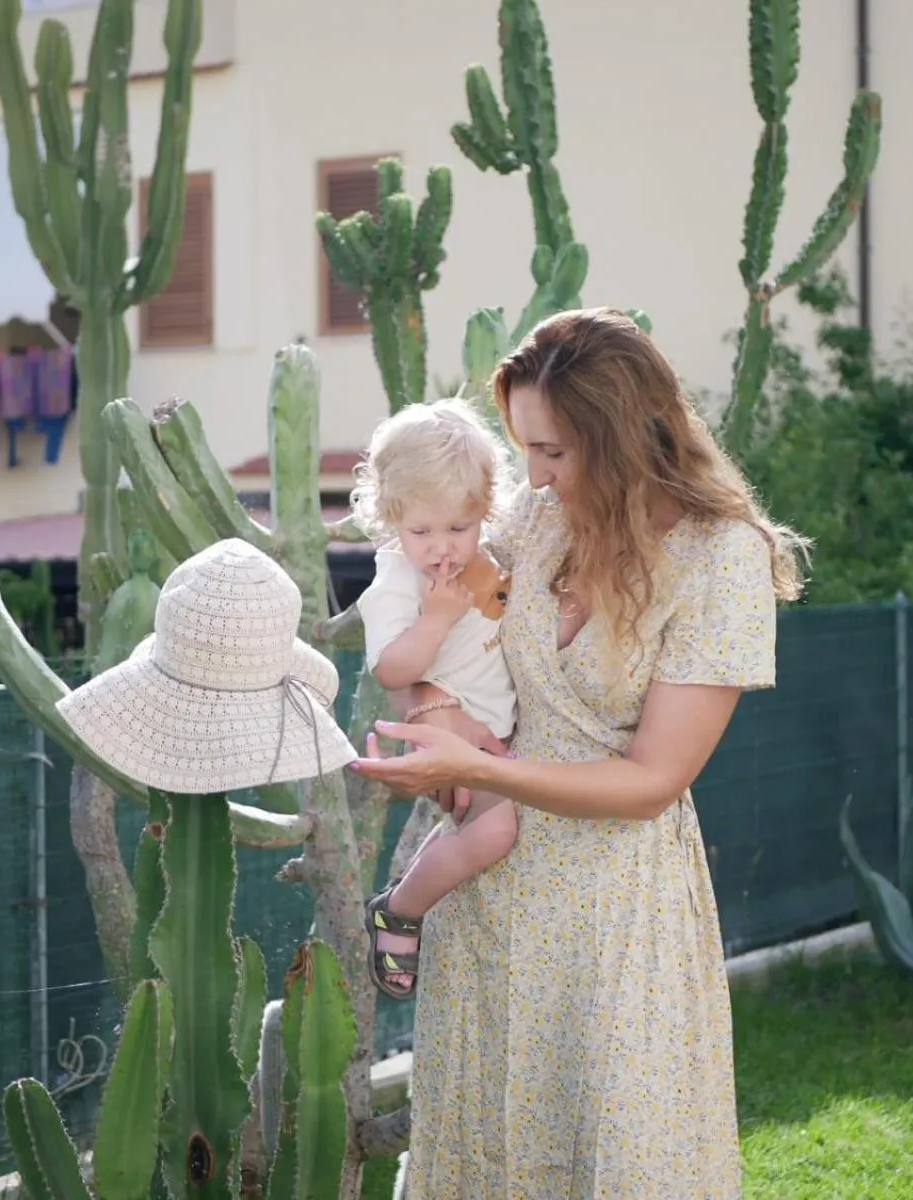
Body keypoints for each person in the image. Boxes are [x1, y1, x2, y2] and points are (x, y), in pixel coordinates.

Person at [349, 307, 806, 1198]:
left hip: (613, 908)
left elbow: (652, 781)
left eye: (553, 451)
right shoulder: (538, 519)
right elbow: (421, 615)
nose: (533, 476)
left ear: (624, 435)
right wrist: (435, 711)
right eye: (523, 449)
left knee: (624, 1153)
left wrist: (474, 769)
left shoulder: (721, 561)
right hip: (487, 889)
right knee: (486, 1148)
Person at [349, 398, 521, 1000]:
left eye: (459, 528)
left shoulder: (491, 557)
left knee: (485, 831)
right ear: (392, 517)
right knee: (494, 834)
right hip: (453, 737)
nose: (442, 547)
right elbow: (392, 667)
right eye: (422, 531)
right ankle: (401, 907)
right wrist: (437, 620)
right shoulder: (398, 579)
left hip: (497, 732)